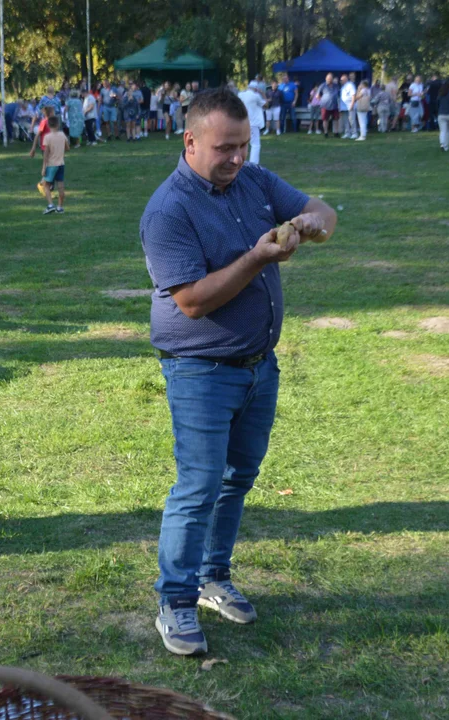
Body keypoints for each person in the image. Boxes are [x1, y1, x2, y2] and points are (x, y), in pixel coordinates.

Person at [139, 87, 337, 657]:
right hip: (200, 369)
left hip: (257, 366)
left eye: (244, 145)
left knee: (236, 478)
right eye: (225, 148)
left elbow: (324, 210)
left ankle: (211, 576)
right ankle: (174, 601)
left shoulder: (252, 180)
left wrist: (313, 221)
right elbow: (194, 302)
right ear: (191, 142)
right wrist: (255, 258)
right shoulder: (168, 211)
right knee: (198, 486)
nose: (236, 158)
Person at [40, 116, 68, 215]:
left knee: (45, 185)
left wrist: (44, 167)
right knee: (60, 186)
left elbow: (46, 154)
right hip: (61, 164)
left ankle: (50, 205)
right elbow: (67, 148)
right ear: (58, 124)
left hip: (51, 164)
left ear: (48, 125)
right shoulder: (62, 135)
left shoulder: (47, 137)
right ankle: (60, 207)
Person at [238, 81, 266, 165]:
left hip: (242, 122)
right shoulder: (256, 96)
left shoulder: (240, 95)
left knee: (241, 142)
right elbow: (266, 104)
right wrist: (263, 93)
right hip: (253, 122)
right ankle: (253, 162)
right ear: (256, 88)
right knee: (255, 144)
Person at [319, 74, 340, 138]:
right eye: (328, 78)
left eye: (330, 78)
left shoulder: (336, 86)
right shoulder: (322, 85)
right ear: (326, 79)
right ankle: (326, 133)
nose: (329, 80)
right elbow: (318, 95)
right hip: (325, 106)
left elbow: (339, 94)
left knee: (336, 119)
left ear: (332, 79)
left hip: (335, 105)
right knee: (325, 120)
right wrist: (322, 100)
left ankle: (336, 133)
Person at [339, 73, 357, 139]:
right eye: (340, 80)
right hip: (343, 107)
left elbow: (353, 95)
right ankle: (347, 133)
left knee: (352, 120)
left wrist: (352, 105)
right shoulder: (343, 87)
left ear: (346, 79)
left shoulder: (350, 85)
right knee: (345, 120)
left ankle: (354, 133)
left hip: (350, 106)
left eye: (341, 80)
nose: (340, 81)